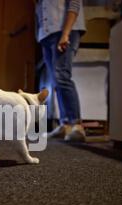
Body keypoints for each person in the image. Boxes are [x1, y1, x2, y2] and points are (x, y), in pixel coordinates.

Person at [36, 0, 87, 142]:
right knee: (55, 81)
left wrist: (66, 34)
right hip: (46, 35)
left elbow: (75, 4)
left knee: (62, 76)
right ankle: (66, 125)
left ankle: (76, 125)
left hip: (64, 30)